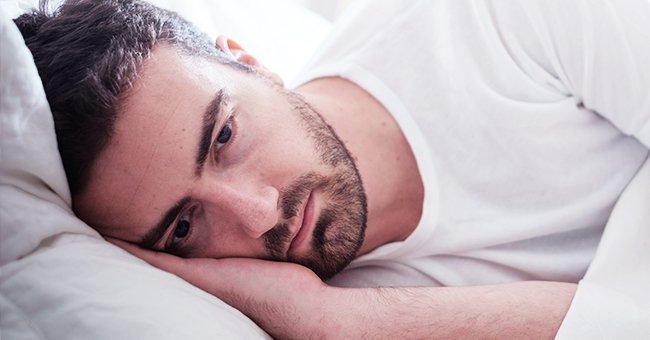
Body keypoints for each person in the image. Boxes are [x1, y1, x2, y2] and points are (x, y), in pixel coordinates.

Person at [15, 0, 649, 338]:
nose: (260, 213)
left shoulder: (488, 18)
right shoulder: (296, 311)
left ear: (251, 62)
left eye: (225, 136)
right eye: (184, 226)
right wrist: (339, 325)